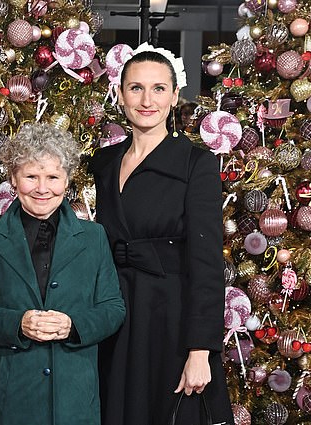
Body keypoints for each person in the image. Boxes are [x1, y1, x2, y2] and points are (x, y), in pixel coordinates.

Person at [90, 44, 234, 425]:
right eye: (136, 88)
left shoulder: (195, 164)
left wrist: (201, 349)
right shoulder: (102, 163)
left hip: (169, 319)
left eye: (158, 89)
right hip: (113, 316)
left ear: (174, 97)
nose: (146, 100)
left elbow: (206, 264)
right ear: (120, 95)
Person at [0, 123, 126, 425]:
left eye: (53, 177)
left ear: (67, 180)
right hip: (11, 398)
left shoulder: (93, 237)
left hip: (76, 399)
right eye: (31, 176)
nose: (42, 188)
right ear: (13, 179)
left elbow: (113, 309)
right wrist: (17, 323)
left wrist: (74, 325)